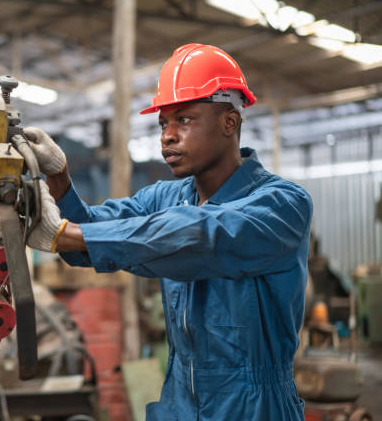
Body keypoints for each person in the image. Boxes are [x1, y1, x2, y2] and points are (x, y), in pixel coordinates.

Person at [25, 43, 312, 421]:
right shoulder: (167, 197)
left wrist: (65, 234)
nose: (167, 136)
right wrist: (58, 177)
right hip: (179, 400)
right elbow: (90, 240)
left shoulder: (283, 204)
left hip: (254, 406)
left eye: (185, 119)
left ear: (230, 122)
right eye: (163, 123)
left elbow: (201, 236)